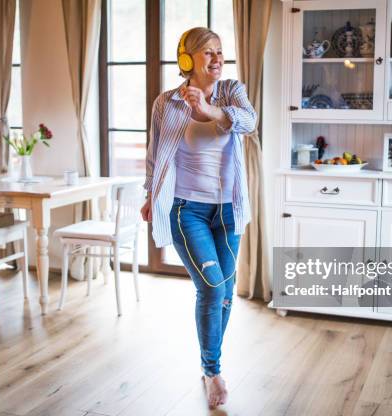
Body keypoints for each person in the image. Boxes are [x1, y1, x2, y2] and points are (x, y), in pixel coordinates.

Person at [139, 27, 257, 409]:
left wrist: (211, 112)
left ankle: (209, 363)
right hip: (185, 209)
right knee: (211, 288)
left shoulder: (231, 92)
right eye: (208, 53)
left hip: (227, 209)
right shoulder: (166, 103)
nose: (218, 59)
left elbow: (249, 122)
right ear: (187, 60)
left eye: (220, 52)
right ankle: (213, 370)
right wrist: (148, 195)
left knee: (225, 293)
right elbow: (156, 154)